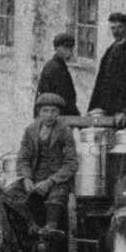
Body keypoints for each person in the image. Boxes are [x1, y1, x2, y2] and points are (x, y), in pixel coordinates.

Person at [15, 93, 79, 232]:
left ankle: (51, 230)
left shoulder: (65, 131)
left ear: (59, 113)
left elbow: (71, 163)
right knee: (12, 195)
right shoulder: (31, 130)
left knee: (56, 198)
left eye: (53, 111)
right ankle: (23, 229)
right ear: (39, 112)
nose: (49, 115)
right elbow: (23, 158)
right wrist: (26, 178)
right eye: (45, 111)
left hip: (57, 180)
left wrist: (50, 181)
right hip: (34, 177)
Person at [86, 11, 126, 118]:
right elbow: (100, 81)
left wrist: (125, 111)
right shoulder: (110, 50)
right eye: (113, 28)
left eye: (119, 27)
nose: (116, 31)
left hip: (122, 108)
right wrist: (93, 107)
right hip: (105, 107)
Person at [36, 32, 81, 117]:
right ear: (56, 49)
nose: (69, 52)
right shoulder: (56, 68)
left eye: (71, 49)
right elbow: (64, 99)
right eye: (65, 48)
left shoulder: (57, 66)